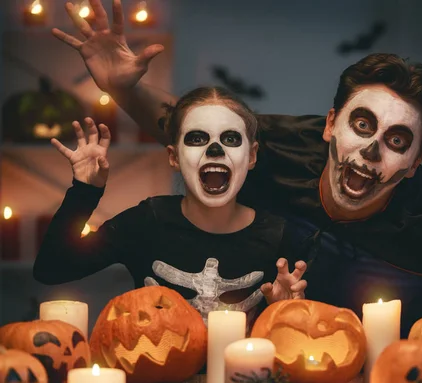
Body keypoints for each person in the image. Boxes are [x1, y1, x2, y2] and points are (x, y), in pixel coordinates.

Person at [51, 0, 422, 335]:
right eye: (362, 125)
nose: (372, 149)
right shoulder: (279, 144)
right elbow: (189, 124)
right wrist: (124, 85)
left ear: (414, 162)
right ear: (332, 123)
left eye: (397, 139)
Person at [33, 86, 308, 329]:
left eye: (231, 139)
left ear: (251, 156)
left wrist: (286, 309)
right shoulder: (147, 222)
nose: (215, 150)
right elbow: (52, 268)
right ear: (174, 157)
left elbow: (304, 337)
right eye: (197, 138)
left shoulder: (280, 238)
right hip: (159, 378)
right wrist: (85, 191)